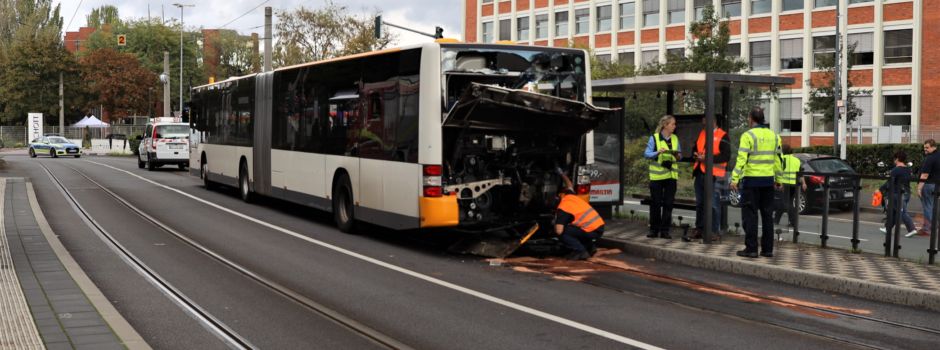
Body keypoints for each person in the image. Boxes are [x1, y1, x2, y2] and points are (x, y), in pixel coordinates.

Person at [731, 107, 782, 258]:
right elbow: (778, 160)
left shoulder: (748, 135)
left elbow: (742, 159)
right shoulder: (774, 136)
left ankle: (751, 249)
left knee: (750, 215)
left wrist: (735, 179)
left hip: (751, 182)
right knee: (767, 216)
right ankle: (767, 250)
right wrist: (778, 179)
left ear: (751, 119)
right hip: (768, 182)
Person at [689, 116, 730, 242]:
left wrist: (707, 159)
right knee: (700, 203)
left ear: (713, 121)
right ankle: (699, 229)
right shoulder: (702, 133)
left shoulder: (723, 135)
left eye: (705, 122)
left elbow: (726, 156)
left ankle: (714, 231)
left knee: (713, 205)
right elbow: (695, 148)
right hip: (700, 173)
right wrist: (695, 154)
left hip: (714, 175)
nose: (703, 125)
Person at [554, 170, 605, 260]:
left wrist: (554, 223)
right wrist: (561, 173)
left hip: (592, 230)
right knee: (576, 229)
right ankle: (590, 248)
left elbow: (559, 231)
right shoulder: (570, 196)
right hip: (599, 226)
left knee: (564, 232)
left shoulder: (562, 208)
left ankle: (580, 251)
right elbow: (569, 185)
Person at [645, 115, 681, 239]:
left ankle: (665, 231)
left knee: (668, 204)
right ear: (665, 125)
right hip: (657, 177)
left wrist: (677, 155)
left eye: (674, 124)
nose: (674, 126)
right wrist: (658, 152)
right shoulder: (654, 138)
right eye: (673, 124)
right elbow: (647, 154)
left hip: (671, 176)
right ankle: (654, 230)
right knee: (656, 204)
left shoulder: (675, 138)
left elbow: (679, 156)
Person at [880, 151, 919, 238]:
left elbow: (890, 183)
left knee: (902, 212)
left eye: (894, 158)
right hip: (907, 193)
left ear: (897, 159)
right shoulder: (908, 169)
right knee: (894, 212)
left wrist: (881, 189)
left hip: (897, 193)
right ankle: (887, 228)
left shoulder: (895, 170)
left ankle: (912, 229)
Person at [774, 144, 807, 228]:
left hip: (784, 184)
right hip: (794, 184)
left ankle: (793, 222)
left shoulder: (781, 159)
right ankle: (775, 220)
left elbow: (777, 172)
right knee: (784, 202)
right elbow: (800, 173)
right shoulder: (796, 160)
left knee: (786, 203)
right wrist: (804, 183)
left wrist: (777, 183)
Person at [918, 139, 940, 235]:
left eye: (927, 148)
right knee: (933, 207)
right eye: (924, 148)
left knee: (928, 207)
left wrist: (919, 188)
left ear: (933, 147)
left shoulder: (930, 158)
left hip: (929, 185)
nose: (925, 150)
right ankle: (928, 227)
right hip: (937, 185)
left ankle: (929, 228)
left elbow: (925, 175)